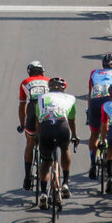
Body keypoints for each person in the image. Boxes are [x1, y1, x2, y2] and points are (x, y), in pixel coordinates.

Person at [29, 77, 77, 206]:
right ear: (63, 88)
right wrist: (74, 135)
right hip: (62, 126)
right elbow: (72, 121)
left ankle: (43, 193)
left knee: (46, 161)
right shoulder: (70, 98)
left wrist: (38, 135)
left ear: (49, 88)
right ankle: (65, 183)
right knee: (65, 149)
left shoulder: (41, 98)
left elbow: (38, 121)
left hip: (46, 128)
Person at [87, 53, 112, 178]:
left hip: (95, 102)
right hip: (109, 102)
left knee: (94, 134)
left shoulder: (94, 72)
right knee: (110, 130)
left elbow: (90, 92)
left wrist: (89, 109)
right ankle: (109, 150)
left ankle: (93, 162)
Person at [18, 62, 49, 189]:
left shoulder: (25, 82)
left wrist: (22, 124)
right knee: (47, 142)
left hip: (32, 109)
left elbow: (22, 106)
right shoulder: (49, 81)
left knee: (30, 143)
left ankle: (27, 177)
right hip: (46, 110)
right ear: (42, 71)